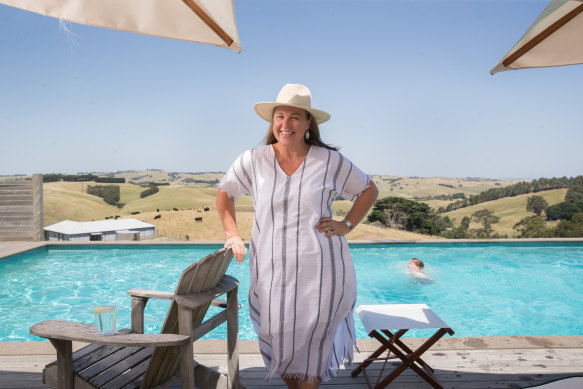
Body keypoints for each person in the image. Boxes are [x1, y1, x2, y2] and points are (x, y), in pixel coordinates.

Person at [216, 83, 378, 389]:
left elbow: (368, 190)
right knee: (281, 341)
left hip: (322, 271)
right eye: (280, 116)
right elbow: (225, 194)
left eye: (294, 117)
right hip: (271, 272)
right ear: (272, 121)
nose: (285, 124)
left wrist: (346, 225)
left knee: (313, 345)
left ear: (308, 124)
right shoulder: (252, 160)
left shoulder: (330, 161)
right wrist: (232, 235)